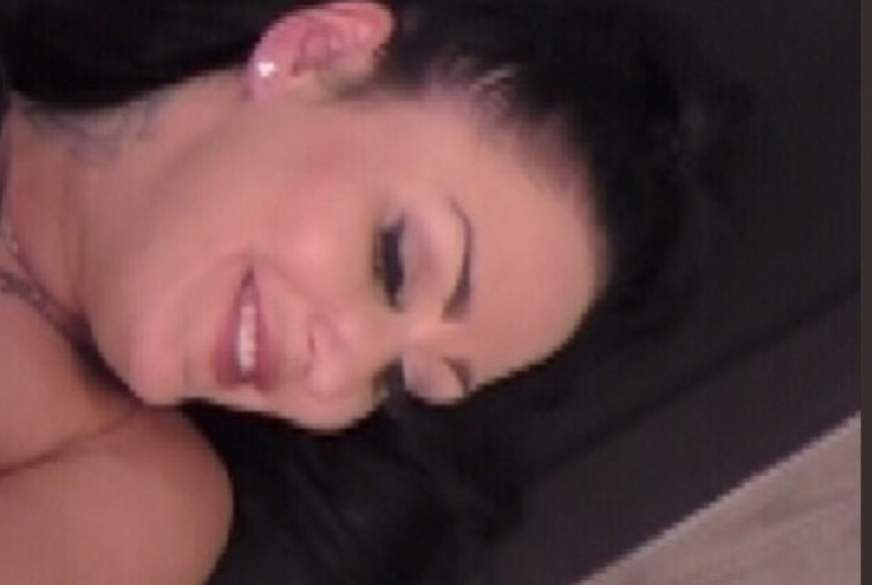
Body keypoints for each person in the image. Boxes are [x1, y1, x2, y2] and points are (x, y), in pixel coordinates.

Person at [0, 0, 740, 583]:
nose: (334, 375)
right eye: (394, 264)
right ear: (316, 52)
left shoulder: (142, 493)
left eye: (397, 380)